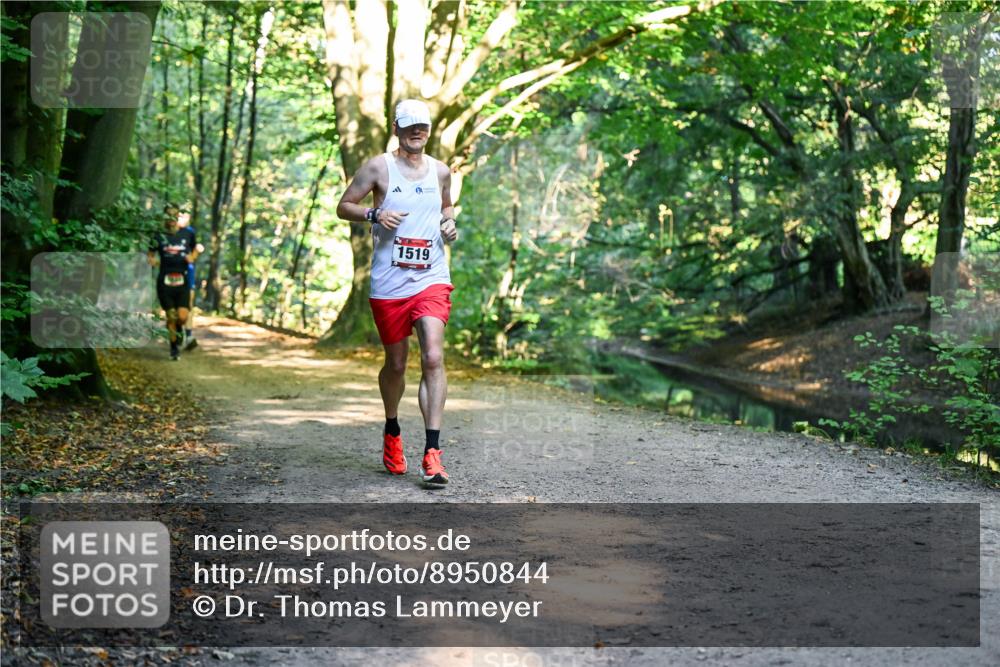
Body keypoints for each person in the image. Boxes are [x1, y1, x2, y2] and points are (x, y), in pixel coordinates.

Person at [336, 99, 459, 487]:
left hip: (431, 277)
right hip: (389, 282)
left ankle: (433, 453)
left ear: (428, 128)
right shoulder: (377, 167)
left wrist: (449, 225)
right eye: (409, 126)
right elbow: (344, 206)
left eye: (422, 125)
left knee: (434, 356)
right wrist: (374, 214)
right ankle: (392, 430)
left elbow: (447, 208)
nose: (417, 131)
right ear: (396, 128)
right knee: (396, 365)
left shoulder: (440, 171)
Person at [148, 204, 199, 360]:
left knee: (182, 317)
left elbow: (196, 249)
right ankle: (174, 348)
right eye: (168, 216)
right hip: (164, 281)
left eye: (174, 215)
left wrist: (193, 257)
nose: (171, 219)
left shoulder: (187, 234)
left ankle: (178, 331)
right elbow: (150, 254)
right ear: (165, 218)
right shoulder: (158, 236)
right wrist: (153, 261)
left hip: (182, 281)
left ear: (178, 216)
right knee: (171, 316)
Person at [176, 211, 205, 350]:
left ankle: (188, 336)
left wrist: (196, 252)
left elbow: (194, 252)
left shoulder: (190, 232)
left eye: (185, 216)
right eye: (180, 215)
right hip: (172, 273)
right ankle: (176, 333)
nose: (182, 218)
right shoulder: (169, 232)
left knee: (188, 305)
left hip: (188, 272)